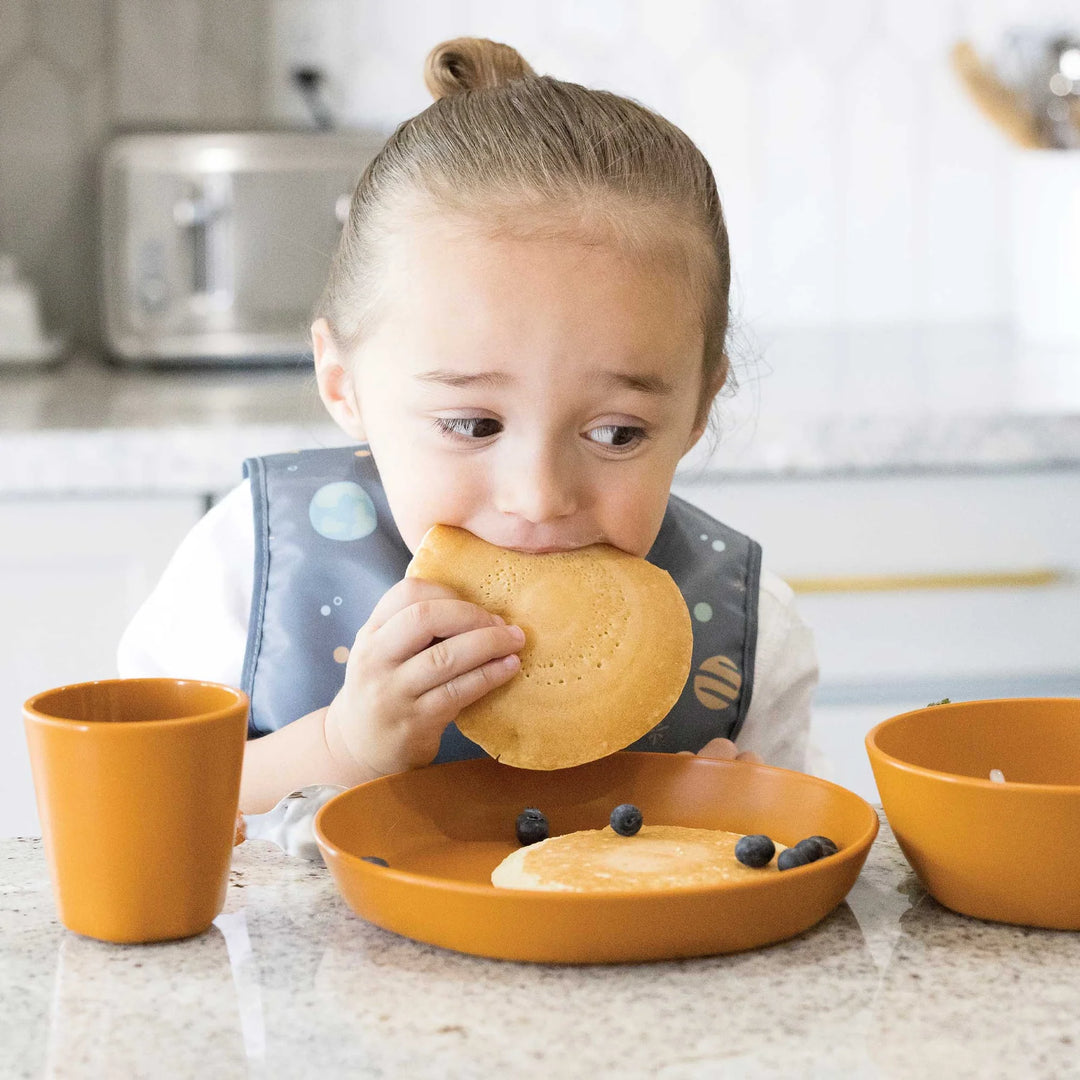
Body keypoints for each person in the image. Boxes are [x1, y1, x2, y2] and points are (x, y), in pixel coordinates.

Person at [118, 38, 818, 813]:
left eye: (617, 433)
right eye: (472, 424)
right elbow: (139, 808)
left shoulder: (746, 634)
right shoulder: (249, 570)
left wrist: (740, 815)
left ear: (697, 409)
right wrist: (342, 746)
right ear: (342, 382)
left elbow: (800, 850)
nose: (540, 497)